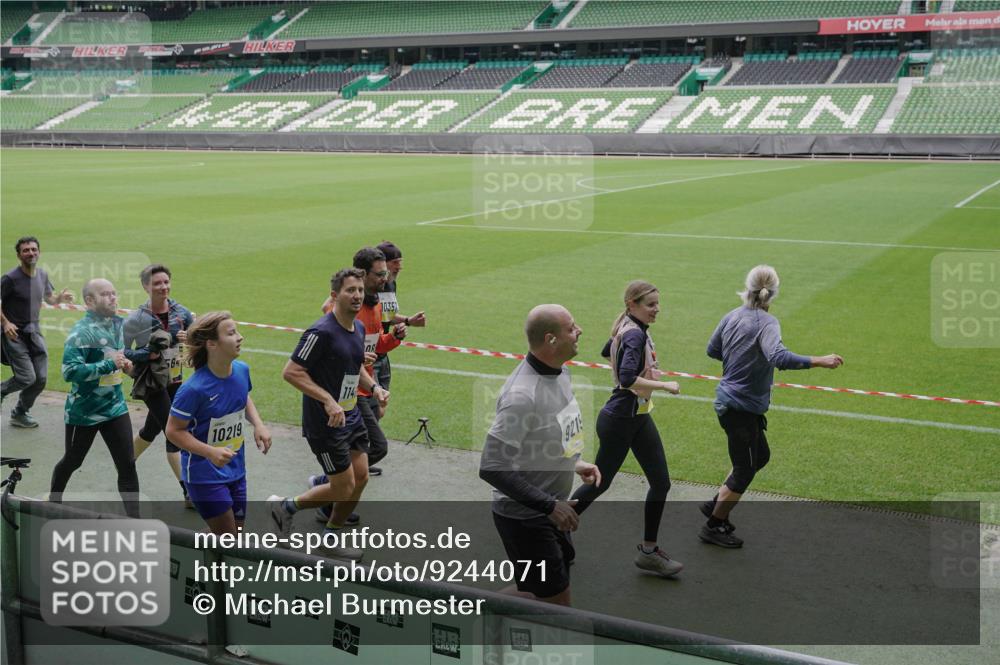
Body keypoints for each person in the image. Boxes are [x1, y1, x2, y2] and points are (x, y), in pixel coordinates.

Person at [700, 265, 843, 548]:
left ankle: (716, 503)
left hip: (731, 404)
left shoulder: (732, 315)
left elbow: (712, 349)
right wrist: (819, 360)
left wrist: (739, 361)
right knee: (745, 468)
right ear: (773, 293)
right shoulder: (767, 323)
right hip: (741, 408)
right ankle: (714, 524)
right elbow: (778, 357)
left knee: (759, 457)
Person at [480, 304, 600, 606]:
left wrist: (573, 462)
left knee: (539, 591)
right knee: (557, 602)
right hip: (527, 519)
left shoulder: (561, 374)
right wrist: (550, 507)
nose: (579, 331)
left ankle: (474, 610)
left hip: (547, 511)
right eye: (571, 327)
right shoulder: (521, 396)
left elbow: (548, 432)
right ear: (551, 339)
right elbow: (492, 467)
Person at [269, 268, 389, 560]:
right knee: (343, 485)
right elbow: (292, 372)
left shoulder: (357, 328)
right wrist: (327, 400)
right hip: (325, 422)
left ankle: (331, 537)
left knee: (360, 478)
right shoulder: (320, 332)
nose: (357, 295)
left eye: (360, 290)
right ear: (335, 296)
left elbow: (354, 365)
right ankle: (284, 507)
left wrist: (373, 387)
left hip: (351, 415)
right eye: (350, 290)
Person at [570, 280, 684, 578]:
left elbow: (608, 350)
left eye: (658, 304)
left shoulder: (629, 327)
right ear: (632, 305)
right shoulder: (634, 334)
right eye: (650, 305)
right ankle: (553, 525)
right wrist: (663, 384)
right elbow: (627, 379)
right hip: (621, 420)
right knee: (601, 482)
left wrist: (641, 373)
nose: (656, 310)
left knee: (660, 483)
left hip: (635, 418)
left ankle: (648, 552)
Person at [165, 312, 271, 535]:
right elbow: (173, 431)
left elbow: (244, 396)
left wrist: (259, 425)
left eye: (238, 331)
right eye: (231, 333)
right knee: (228, 536)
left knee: (235, 532)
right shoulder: (193, 389)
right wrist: (210, 452)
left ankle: (197, 552)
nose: (240, 337)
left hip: (236, 469)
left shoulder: (242, 370)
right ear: (212, 344)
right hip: (204, 476)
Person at [50, 279, 139, 517]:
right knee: (73, 461)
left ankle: (135, 521)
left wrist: (126, 366)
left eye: (114, 293)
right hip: (84, 413)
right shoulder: (81, 333)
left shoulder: (118, 325)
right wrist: (108, 364)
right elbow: (69, 372)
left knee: (127, 465)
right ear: (89, 301)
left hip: (116, 407)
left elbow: (117, 359)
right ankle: (53, 502)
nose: (112, 298)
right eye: (105, 294)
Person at [124, 264, 194, 505]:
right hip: (152, 382)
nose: (163, 287)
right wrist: (148, 354)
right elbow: (123, 352)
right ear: (145, 286)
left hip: (176, 379)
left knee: (151, 430)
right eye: (157, 283)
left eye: (166, 282)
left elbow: (198, 340)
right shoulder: (136, 319)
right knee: (174, 433)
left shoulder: (182, 313)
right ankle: (187, 490)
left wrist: (191, 338)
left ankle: (125, 464)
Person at [1, 236, 74, 428]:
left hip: (35, 332)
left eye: (34, 249)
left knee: (40, 379)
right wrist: (6, 323)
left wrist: (61, 298)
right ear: (19, 255)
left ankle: (20, 413)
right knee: (27, 377)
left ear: (39, 252)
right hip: (14, 334)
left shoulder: (42, 275)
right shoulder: (10, 278)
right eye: (26, 250)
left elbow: (49, 299)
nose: (31, 253)